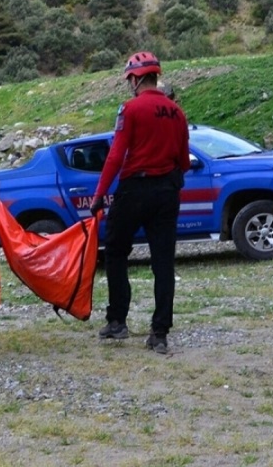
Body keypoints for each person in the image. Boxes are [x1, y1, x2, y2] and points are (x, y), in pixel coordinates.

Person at [89, 51, 191, 354]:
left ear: (135, 79)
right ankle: (159, 333)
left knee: (116, 252)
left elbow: (116, 155)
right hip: (167, 191)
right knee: (163, 262)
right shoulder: (177, 112)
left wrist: (99, 194)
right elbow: (184, 161)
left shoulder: (130, 109)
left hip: (134, 189)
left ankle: (117, 320)